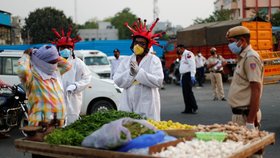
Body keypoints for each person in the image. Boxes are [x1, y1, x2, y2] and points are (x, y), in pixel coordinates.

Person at [113, 18, 164, 121]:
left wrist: (139, 73)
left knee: (148, 131)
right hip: (128, 103)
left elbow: (158, 81)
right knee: (129, 131)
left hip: (147, 104)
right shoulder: (126, 60)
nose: (138, 46)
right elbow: (117, 81)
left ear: (147, 46)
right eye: (136, 42)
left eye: (142, 44)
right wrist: (130, 73)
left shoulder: (154, 60)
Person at [17, 45, 72, 127]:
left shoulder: (54, 72)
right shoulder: (32, 76)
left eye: (55, 61)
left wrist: (53, 54)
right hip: (40, 122)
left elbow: (67, 65)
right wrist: (26, 55)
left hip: (57, 119)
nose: (54, 64)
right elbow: (22, 70)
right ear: (41, 61)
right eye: (52, 62)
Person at [226, 26, 263, 130]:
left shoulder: (250, 58)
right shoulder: (243, 57)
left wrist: (250, 121)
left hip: (245, 116)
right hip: (240, 115)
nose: (229, 45)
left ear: (242, 40)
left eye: (231, 41)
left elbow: (256, 89)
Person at [52, 28, 92, 125]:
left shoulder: (78, 63)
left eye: (68, 47)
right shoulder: (54, 63)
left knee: (71, 122)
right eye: (62, 48)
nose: (65, 50)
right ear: (58, 49)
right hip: (56, 99)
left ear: (72, 49)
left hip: (73, 99)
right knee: (56, 124)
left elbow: (87, 77)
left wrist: (76, 86)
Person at [176, 44, 198, 114]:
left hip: (188, 75)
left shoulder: (188, 54)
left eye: (179, 49)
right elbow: (183, 68)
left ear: (182, 48)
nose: (178, 51)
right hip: (184, 76)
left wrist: (192, 75)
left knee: (189, 92)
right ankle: (188, 108)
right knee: (185, 93)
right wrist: (181, 79)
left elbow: (192, 64)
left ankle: (194, 107)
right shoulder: (183, 56)